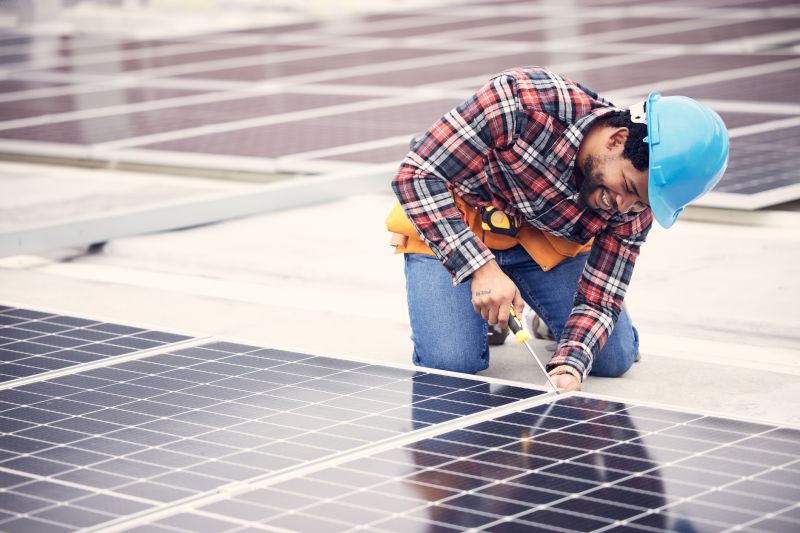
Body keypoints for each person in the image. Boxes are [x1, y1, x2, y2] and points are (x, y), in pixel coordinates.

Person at [387, 66, 729, 392]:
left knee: (612, 359)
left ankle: (542, 318)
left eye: (640, 202)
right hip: (460, 227)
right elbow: (416, 175)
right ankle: (491, 312)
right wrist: (480, 268)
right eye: (626, 186)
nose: (624, 207)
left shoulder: (636, 204)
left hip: (543, 245)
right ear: (617, 139)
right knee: (452, 363)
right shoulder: (520, 101)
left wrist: (569, 365)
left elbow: (601, 295)